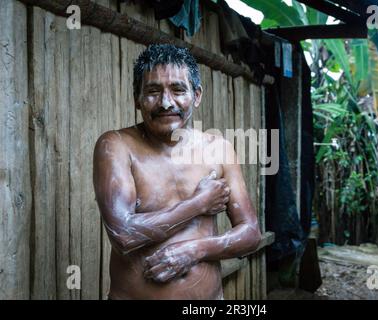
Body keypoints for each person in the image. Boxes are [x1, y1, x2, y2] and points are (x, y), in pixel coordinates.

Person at [93, 44, 261, 300]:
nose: (166, 103)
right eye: (152, 91)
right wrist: (198, 203)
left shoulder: (219, 149)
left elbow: (250, 234)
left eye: (178, 90)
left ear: (197, 95)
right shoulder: (116, 146)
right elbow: (123, 235)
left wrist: (195, 250)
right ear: (136, 99)